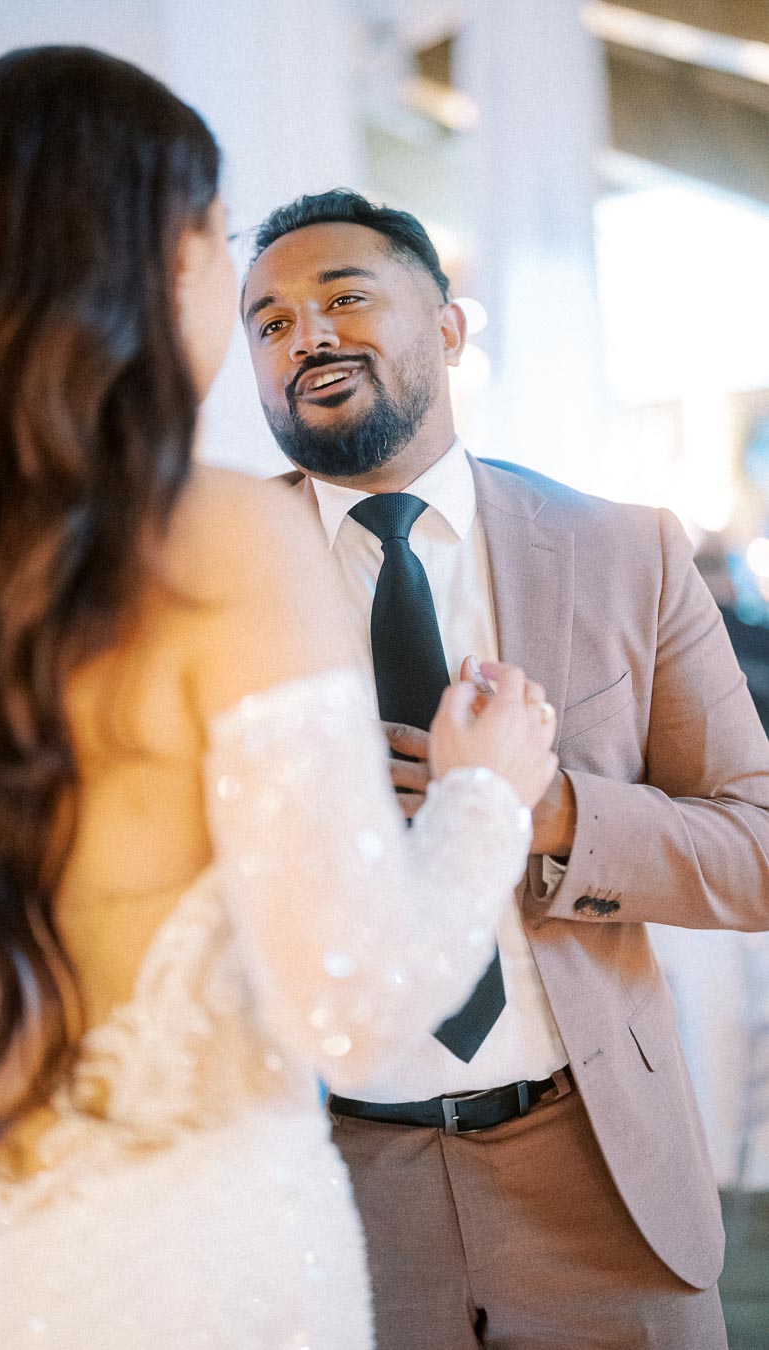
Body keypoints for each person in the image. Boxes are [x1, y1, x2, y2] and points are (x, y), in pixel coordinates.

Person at [0, 49, 558, 1348]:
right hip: (167, 1252)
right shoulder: (223, 534)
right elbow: (353, 1007)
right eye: (222, 245)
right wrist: (484, 791)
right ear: (161, 255)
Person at [240, 189, 769, 1349]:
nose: (307, 337)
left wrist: (550, 811)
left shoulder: (626, 551)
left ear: (448, 328)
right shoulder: (206, 577)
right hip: (332, 1182)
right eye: (269, 324)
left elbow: (757, 846)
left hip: (598, 1177)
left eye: (344, 298)